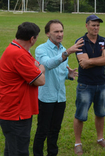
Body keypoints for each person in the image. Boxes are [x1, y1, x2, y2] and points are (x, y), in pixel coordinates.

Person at [33, 20, 84, 156]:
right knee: (42, 130)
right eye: (56, 31)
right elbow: (47, 65)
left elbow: (58, 71)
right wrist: (66, 53)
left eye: (61, 31)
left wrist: (68, 75)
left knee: (55, 130)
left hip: (60, 97)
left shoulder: (62, 50)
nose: (60, 34)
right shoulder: (41, 49)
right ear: (48, 33)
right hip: (46, 97)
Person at [0, 22, 46, 156]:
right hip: (16, 114)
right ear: (32, 39)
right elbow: (40, 80)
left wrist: (37, 68)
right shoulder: (19, 54)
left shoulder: (17, 49)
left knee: (12, 151)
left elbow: (35, 67)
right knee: (20, 152)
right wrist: (41, 69)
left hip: (13, 112)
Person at [73, 15, 105, 155]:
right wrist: (99, 59)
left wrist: (90, 61)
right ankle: (78, 143)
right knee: (80, 115)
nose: (96, 28)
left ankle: (100, 138)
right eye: (93, 25)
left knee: (100, 113)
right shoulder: (80, 42)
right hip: (85, 85)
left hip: (101, 84)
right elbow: (82, 64)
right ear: (86, 26)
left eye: (98, 25)